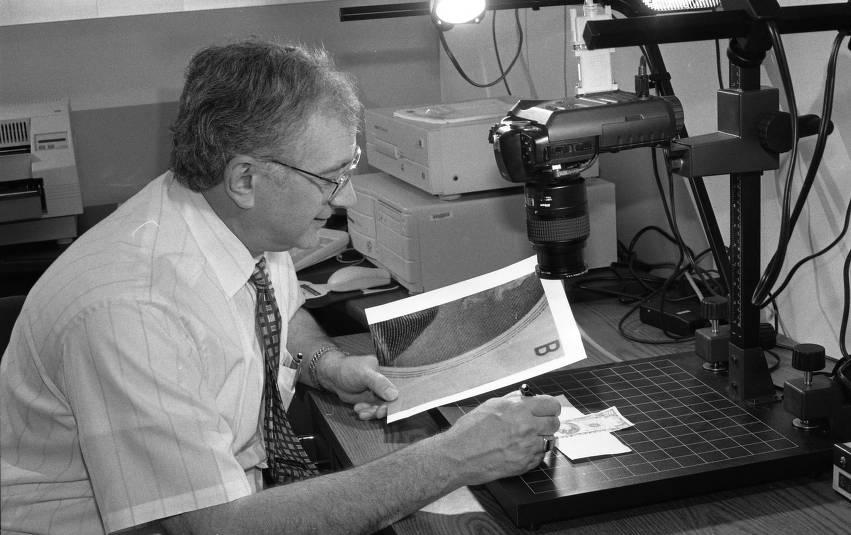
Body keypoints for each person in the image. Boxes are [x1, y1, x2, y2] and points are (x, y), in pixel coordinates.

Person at [0, 39, 561, 535]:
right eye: (329, 179)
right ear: (245, 177)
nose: (346, 199)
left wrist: (326, 364)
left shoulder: (231, 220)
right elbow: (210, 527)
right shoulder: (132, 308)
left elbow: (274, 314)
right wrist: (456, 458)